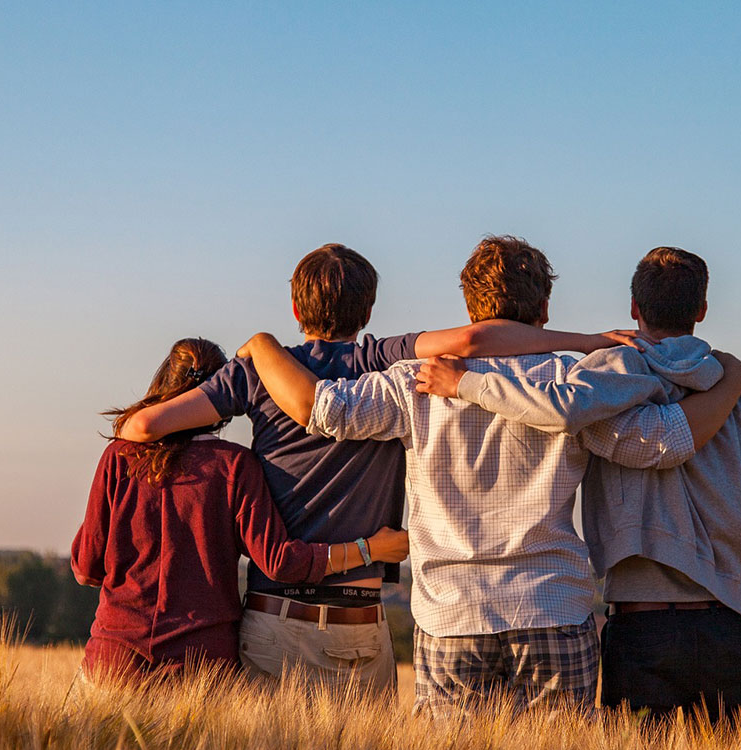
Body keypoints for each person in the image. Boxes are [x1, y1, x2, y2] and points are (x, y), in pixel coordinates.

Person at [237, 236, 741, 718]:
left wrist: (262, 346)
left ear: (469, 309)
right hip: (551, 605)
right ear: (544, 311)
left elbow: (323, 410)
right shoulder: (573, 383)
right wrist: (731, 382)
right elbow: (660, 443)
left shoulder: (413, 382)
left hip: (450, 614)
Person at [114, 243, 640, 694]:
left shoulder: (256, 372)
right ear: (368, 311)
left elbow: (141, 430)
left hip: (275, 615)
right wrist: (587, 342)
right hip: (359, 622)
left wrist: (255, 352)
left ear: (296, 308)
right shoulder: (381, 360)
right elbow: (474, 341)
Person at [416, 246, 741, 729]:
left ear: (635, 308)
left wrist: (467, 383)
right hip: (728, 625)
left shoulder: (601, 384)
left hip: (641, 626)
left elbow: (562, 410)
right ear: (701, 311)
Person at [70, 337, 409, 685]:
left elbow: (87, 567)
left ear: (164, 385)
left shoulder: (119, 457)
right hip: (202, 667)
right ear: (221, 398)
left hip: (115, 659)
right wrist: (370, 549)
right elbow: (280, 562)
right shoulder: (234, 466)